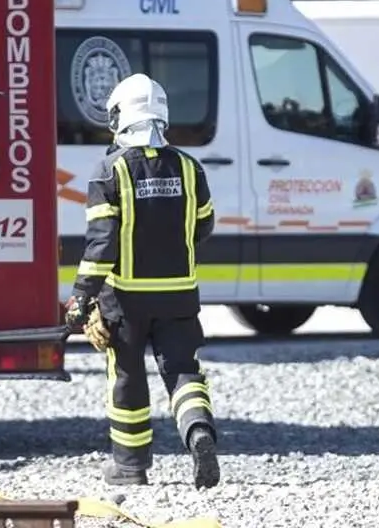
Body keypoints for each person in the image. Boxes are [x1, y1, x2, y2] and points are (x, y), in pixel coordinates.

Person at [63, 73, 220, 489]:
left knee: (127, 376)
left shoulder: (109, 171)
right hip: (180, 296)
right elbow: (203, 226)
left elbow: (102, 245)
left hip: (127, 301)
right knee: (183, 371)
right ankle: (198, 430)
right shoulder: (190, 168)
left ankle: (130, 467)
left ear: (118, 117)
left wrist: (80, 299)